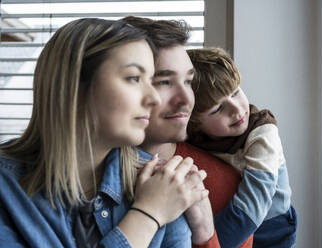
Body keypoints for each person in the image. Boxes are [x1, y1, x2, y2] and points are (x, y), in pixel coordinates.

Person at [0, 18, 210, 248]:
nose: (153, 98)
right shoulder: (6, 188)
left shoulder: (161, 183)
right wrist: (148, 215)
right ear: (74, 85)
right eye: (134, 78)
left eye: (151, 80)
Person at [123, 16, 254, 248]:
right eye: (164, 81)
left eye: (188, 82)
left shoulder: (225, 185)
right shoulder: (87, 175)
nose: (185, 100)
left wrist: (205, 233)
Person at [186, 47, 298, 247]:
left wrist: (213, 243)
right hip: (232, 215)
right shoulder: (192, 137)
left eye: (236, 93)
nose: (237, 109)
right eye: (218, 108)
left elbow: (253, 206)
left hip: (271, 226)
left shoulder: (262, 133)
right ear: (194, 122)